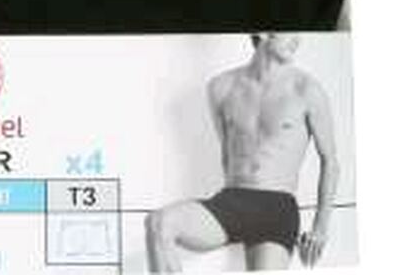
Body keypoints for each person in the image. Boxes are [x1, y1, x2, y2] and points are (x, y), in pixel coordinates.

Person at [145, 34, 339, 271]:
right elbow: (228, 153)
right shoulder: (220, 87)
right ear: (261, 32)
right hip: (232, 201)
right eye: (288, 30)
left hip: (276, 209)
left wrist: (320, 227)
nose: (296, 40)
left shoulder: (306, 90)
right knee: (159, 224)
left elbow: (330, 161)